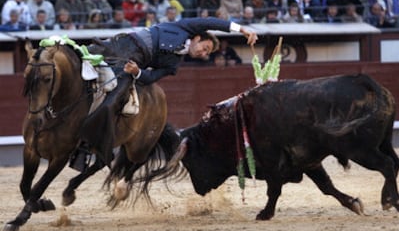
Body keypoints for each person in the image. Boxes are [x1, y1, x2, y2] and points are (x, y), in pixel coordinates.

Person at [70, 17, 258, 171]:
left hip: (133, 62)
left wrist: (137, 72)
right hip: (122, 43)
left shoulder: (174, 65)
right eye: (206, 48)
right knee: (77, 58)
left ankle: (86, 146)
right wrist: (241, 29)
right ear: (197, 38)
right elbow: (212, 22)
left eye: (207, 53)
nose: (204, 54)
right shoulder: (185, 27)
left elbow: (151, 77)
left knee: (112, 101)